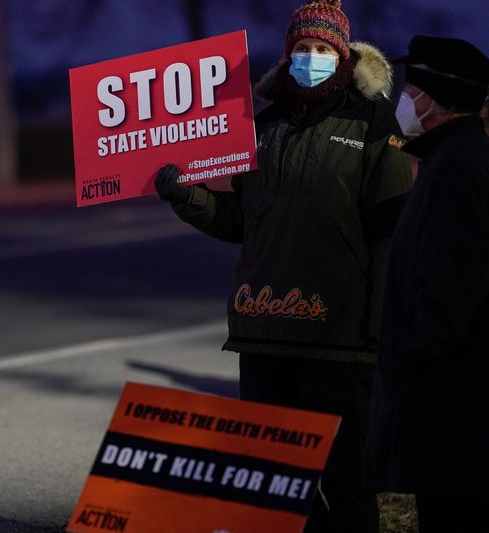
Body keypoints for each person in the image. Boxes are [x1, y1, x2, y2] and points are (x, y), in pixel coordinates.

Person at [153, 1, 412, 531]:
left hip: (339, 335)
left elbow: (391, 233)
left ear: (342, 55)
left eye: (321, 49)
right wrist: (186, 197)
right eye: (301, 49)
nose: (310, 58)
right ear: (287, 53)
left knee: (344, 479)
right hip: (264, 330)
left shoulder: (371, 122)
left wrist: (381, 324)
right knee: (271, 479)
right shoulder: (261, 123)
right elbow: (240, 223)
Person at [364, 36, 489, 532]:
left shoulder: (458, 169)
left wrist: (401, 354)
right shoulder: (450, 159)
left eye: (412, 89)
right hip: (451, 407)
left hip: (454, 412)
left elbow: (449, 294)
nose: (405, 100)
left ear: (436, 101)